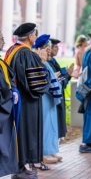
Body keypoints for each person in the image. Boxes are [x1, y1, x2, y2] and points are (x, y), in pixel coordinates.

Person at [4, 23, 50, 178]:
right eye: (34, 35)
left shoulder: (11, 51)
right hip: (27, 103)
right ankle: (23, 166)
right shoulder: (26, 54)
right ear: (30, 37)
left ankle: (19, 167)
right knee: (26, 132)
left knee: (18, 132)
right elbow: (37, 82)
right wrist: (43, 65)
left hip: (16, 100)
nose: (35, 37)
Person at [32, 34, 63, 167]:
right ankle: (44, 152)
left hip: (49, 99)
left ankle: (51, 150)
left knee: (51, 125)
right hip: (44, 97)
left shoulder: (47, 62)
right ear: (43, 49)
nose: (50, 50)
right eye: (48, 48)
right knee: (45, 125)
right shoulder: (39, 61)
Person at [48, 38, 77, 140]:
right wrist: (67, 75)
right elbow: (57, 82)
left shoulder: (53, 61)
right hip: (53, 99)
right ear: (49, 48)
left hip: (59, 97)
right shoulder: (48, 64)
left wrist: (68, 74)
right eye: (55, 46)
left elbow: (60, 80)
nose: (58, 49)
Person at [0, 31, 20, 177]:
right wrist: (9, 95)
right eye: (1, 38)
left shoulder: (1, 63)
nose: (3, 41)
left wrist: (12, 90)